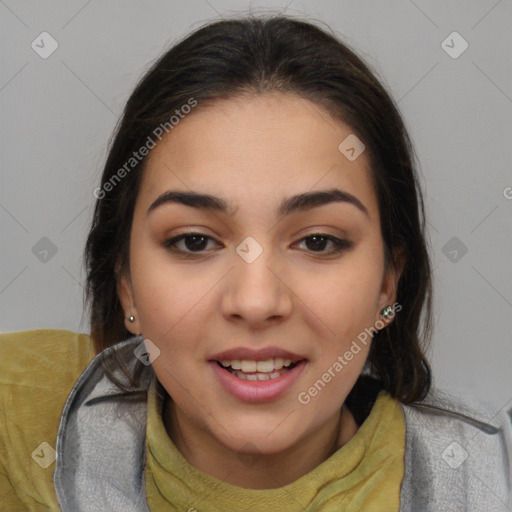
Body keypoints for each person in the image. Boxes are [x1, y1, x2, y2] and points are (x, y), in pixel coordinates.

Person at [0, 13, 510, 512]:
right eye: (195, 241)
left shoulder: (492, 480)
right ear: (126, 284)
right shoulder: (17, 418)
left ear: (388, 283)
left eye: (317, 242)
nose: (256, 301)